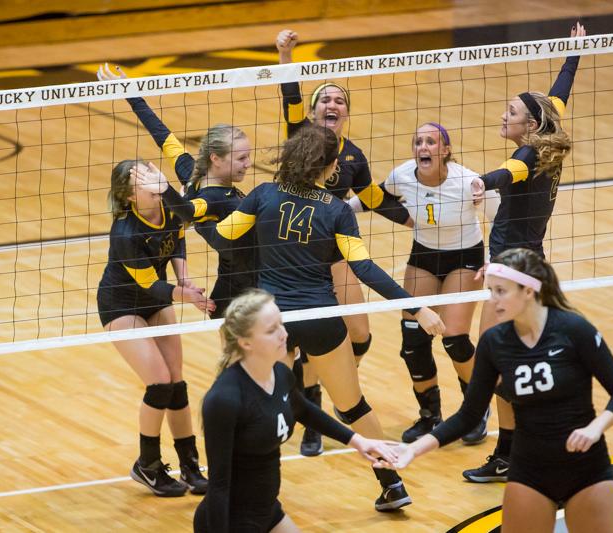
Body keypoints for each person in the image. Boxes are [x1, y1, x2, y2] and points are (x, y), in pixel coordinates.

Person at [205, 125, 445, 511]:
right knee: (353, 407)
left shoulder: (263, 195)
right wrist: (417, 306)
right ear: (332, 169)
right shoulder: (335, 211)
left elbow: (220, 237)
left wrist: (193, 202)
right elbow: (365, 269)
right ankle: (392, 483)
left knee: (264, 405)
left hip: (273, 320)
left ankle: (240, 487)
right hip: (321, 317)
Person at [391, 248, 613, 533]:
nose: (492, 301)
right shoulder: (495, 342)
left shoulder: (572, 329)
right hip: (529, 471)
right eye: (490, 291)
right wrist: (413, 450)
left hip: (586, 469)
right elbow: (469, 416)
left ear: (528, 290)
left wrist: (596, 428)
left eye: (501, 291)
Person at [276, 29, 412, 457]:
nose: (332, 105)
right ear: (314, 111)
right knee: (312, 335)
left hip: (336, 252)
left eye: (340, 101)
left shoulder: (351, 155)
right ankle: (316, 411)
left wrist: (412, 219)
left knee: (359, 333)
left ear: (345, 114)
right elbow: (289, 97)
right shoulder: (299, 136)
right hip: (295, 254)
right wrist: (285, 55)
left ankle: (324, 384)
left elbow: (370, 197)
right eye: (325, 100)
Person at [463, 22, 587, 482]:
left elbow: (508, 172)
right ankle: (530, 443)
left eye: (510, 112)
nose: (503, 117)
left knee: (496, 361)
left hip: (514, 270)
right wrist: (574, 53)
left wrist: (482, 181)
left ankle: (510, 452)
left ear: (529, 126)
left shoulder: (529, 156)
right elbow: (559, 96)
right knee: (519, 359)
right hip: (528, 263)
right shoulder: (545, 135)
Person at [194, 289, 403, 532]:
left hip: (268, 511)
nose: (284, 335)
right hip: (232, 522)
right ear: (245, 342)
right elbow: (219, 486)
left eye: (281, 324)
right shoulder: (225, 400)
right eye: (271, 330)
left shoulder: (280, 374)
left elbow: (303, 409)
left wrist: (358, 440)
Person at [358, 122, 500, 445]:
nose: (423, 147)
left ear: (445, 150)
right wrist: (340, 209)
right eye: (418, 141)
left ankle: (475, 411)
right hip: (424, 255)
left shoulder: (468, 181)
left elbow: (500, 216)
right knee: (413, 340)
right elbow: (374, 197)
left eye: (431, 142)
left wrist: (492, 257)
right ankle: (429, 415)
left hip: (465, 257)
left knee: (454, 339)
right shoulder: (403, 175)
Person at [98, 63, 256, 319]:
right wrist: (166, 190)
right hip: (245, 280)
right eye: (241, 159)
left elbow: (162, 135)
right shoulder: (213, 199)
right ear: (215, 158)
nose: (248, 164)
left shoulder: (191, 174)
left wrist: (130, 93)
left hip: (250, 275)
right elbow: (189, 212)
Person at [96, 158, 215, 497]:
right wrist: (186, 296)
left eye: (153, 177)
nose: (154, 186)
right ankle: (147, 465)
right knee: (160, 384)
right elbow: (152, 287)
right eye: (145, 183)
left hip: (158, 300)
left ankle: (189, 464)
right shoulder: (125, 233)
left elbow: (176, 240)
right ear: (131, 196)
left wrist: (185, 280)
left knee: (177, 384)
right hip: (122, 305)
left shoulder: (169, 207)